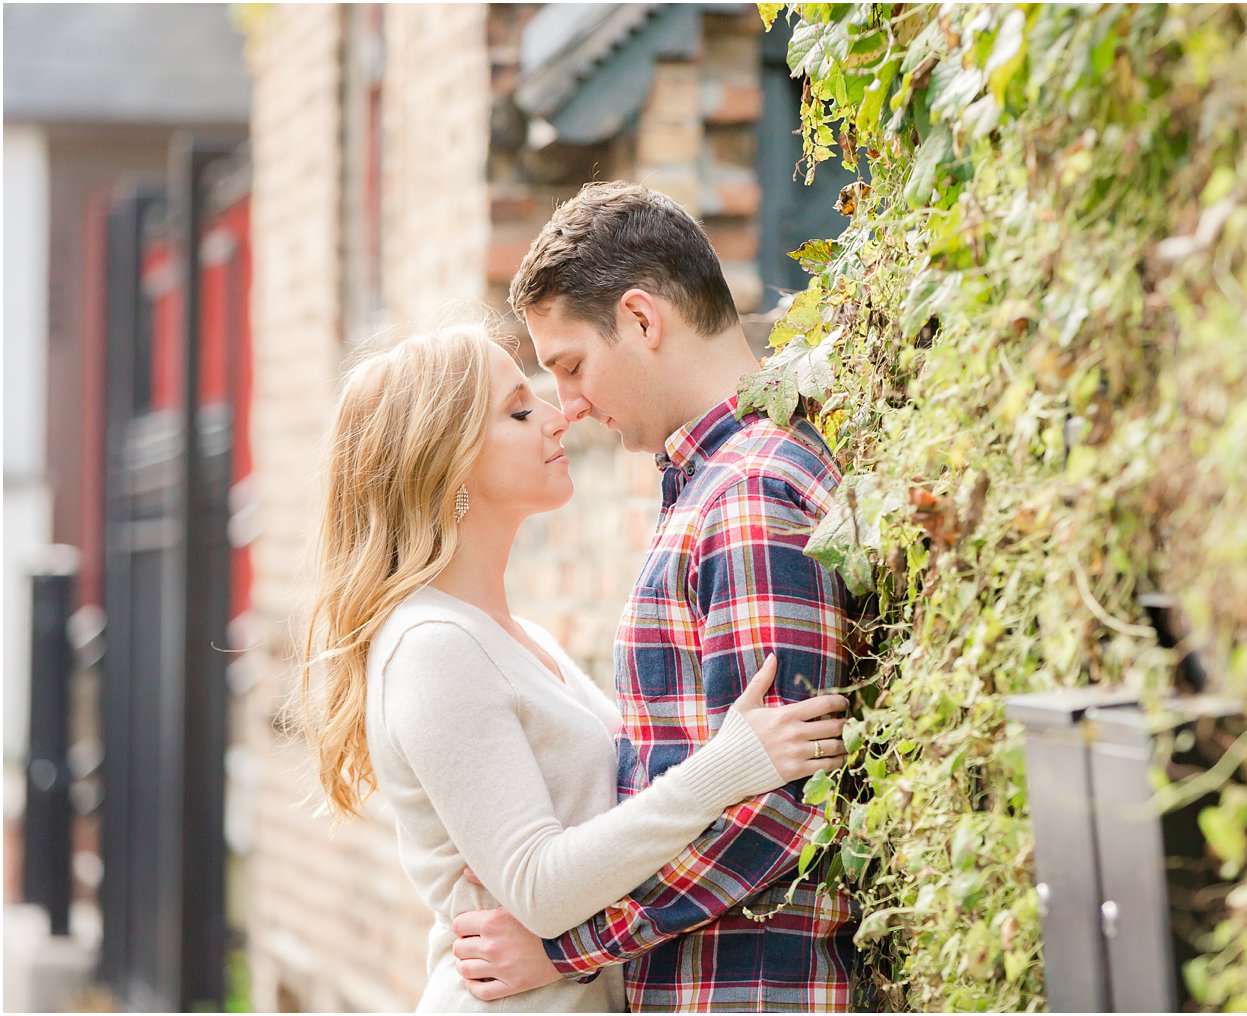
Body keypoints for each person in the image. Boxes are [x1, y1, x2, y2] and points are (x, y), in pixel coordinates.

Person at [298, 319, 850, 1012]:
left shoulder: (517, 637)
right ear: (446, 460)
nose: (558, 420)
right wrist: (725, 768)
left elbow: (609, 825)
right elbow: (539, 885)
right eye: (520, 411)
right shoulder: (432, 648)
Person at [450, 182, 858, 1012]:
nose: (570, 406)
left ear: (641, 319)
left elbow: (783, 809)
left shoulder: (745, 498)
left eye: (569, 366)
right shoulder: (710, 489)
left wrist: (568, 947)